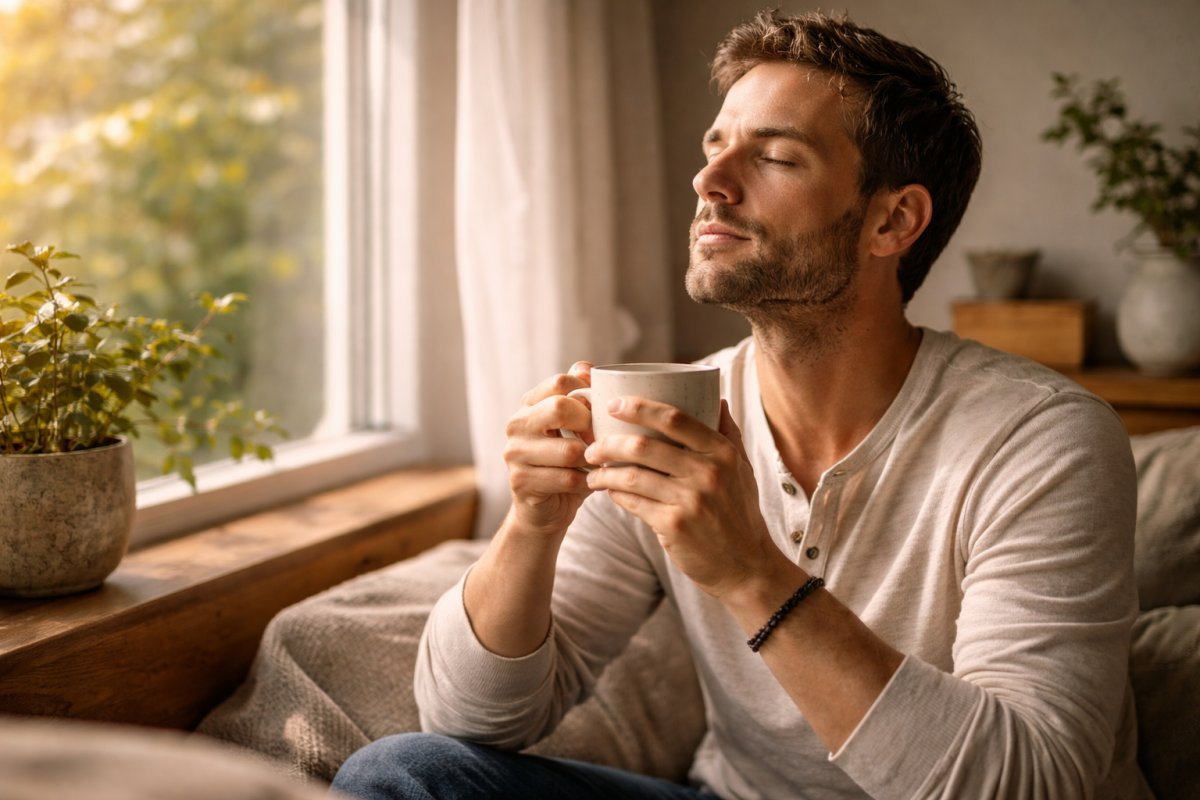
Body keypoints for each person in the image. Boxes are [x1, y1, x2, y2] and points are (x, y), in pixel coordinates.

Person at [332, 9, 1147, 799]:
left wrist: (752, 572)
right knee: (401, 776)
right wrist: (532, 525)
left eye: (777, 158)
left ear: (893, 220)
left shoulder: (1040, 438)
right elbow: (470, 718)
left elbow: (1030, 783)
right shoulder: (669, 414)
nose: (709, 181)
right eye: (715, 147)